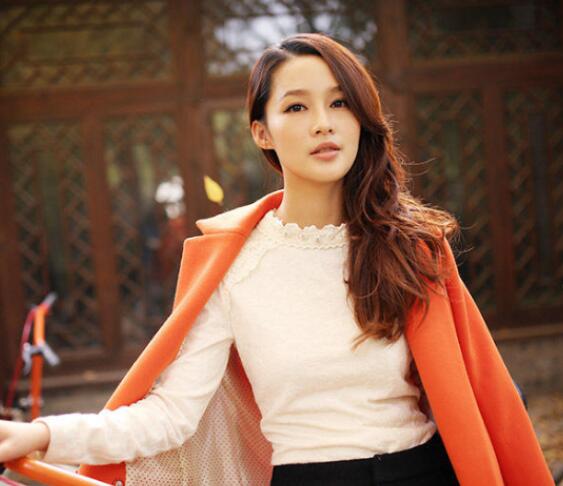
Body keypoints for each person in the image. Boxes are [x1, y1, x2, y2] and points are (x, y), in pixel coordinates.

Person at [0, 33, 553, 486]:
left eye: (340, 102)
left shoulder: (409, 245)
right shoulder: (234, 263)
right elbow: (170, 416)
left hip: (423, 473)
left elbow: (483, 394)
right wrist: (42, 435)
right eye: (297, 106)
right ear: (261, 132)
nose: (323, 122)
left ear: (361, 119)